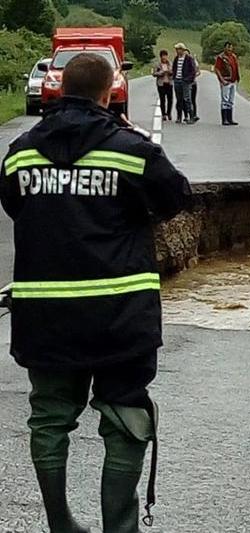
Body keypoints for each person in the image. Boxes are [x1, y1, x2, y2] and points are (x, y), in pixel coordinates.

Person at [0, 53, 192, 533]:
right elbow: (176, 197)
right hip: (119, 313)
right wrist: (139, 139)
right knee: (126, 417)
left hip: (44, 316)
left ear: (59, 88)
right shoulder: (130, 149)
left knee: (48, 418)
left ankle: (61, 524)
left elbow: (13, 204)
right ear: (110, 92)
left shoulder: (22, 151)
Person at [214, 41, 241, 126]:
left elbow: (236, 67)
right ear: (225, 48)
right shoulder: (221, 57)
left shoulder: (233, 56)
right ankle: (224, 119)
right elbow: (217, 69)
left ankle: (230, 119)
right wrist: (222, 80)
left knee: (231, 100)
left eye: (230, 47)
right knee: (225, 100)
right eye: (228, 47)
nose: (229, 49)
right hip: (226, 80)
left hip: (233, 81)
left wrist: (237, 77)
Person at [172, 43, 197, 125]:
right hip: (177, 80)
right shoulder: (176, 59)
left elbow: (193, 71)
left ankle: (191, 116)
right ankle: (179, 117)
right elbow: (174, 68)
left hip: (185, 81)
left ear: (182, 50)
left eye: (178, 49)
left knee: (187, 99)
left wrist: (188, 80)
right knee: (179, 99)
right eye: (176, 49)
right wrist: (174, 77)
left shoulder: (189, 59)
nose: (177, 51)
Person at [153, 49, 173, 121]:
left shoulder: (170, 63)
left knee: (170, 99)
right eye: (163, 56)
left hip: (169, 83)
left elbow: (174, 71)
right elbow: (154, 74)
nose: (164, 58)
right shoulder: (157, 64)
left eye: (165, 56)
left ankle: (169, 113)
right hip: (161, 84)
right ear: (161, 57)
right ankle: (163, 114)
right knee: (162, 99)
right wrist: (161, 72)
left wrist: (170, 72)